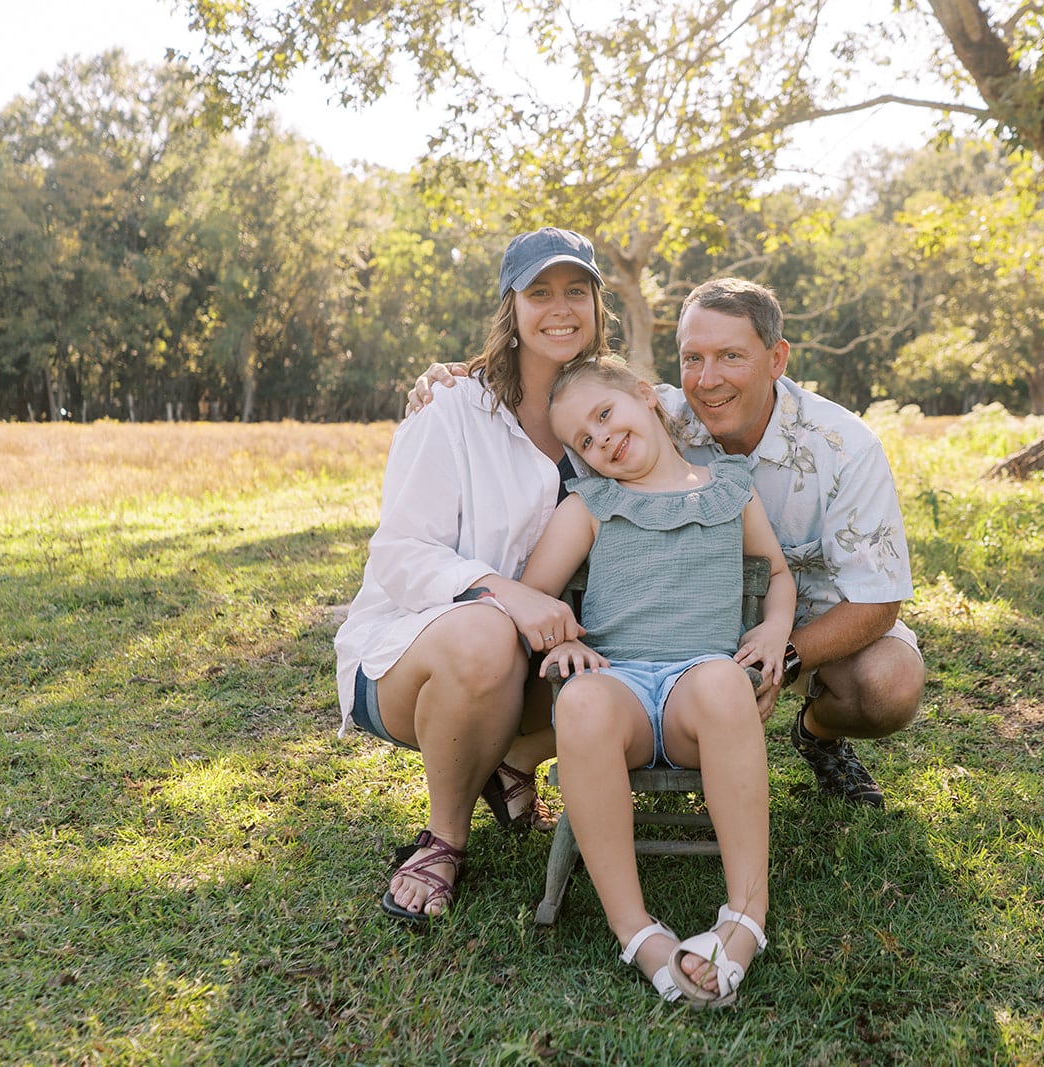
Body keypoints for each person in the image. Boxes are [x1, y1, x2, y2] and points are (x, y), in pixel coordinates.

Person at [408, 278, 924, 807]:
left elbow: (878, 602)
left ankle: (817, 732)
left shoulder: (845, 448)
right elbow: (576, 388)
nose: (707, 380)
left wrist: (783, 654)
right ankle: (532, 751)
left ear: (776, 359)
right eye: (691, 358)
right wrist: (463, 378)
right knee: (599, 669)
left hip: (807, 621)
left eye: (730, 356)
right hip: (675, 626)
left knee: (889, 683)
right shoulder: (653, 416)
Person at [333, 227, 613, 925]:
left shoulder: (613, 410)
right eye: (539, 292)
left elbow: (695, 405)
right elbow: (400, 554)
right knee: (488, 633)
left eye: (575, 291)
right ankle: (444, 837)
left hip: (539, 657)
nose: (560, 307)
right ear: (510, 308)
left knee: (629, 655)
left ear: (597, 306)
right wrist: (507, 592)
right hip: (413, 655)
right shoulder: (452, 409)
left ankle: (511, 758)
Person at [518, 356, 795, 1007]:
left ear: (645, 397)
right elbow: (534, 594)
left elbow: (777, 572)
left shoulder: (730, 484)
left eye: (606, 414)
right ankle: (636, 928)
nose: (602, 439)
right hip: (624, 698)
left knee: (726, 680)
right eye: (583, 441)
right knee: (581, 702)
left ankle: (745, 915)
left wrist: (778, 629)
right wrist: (563, 640)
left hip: (699, 696)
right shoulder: (591, 502)